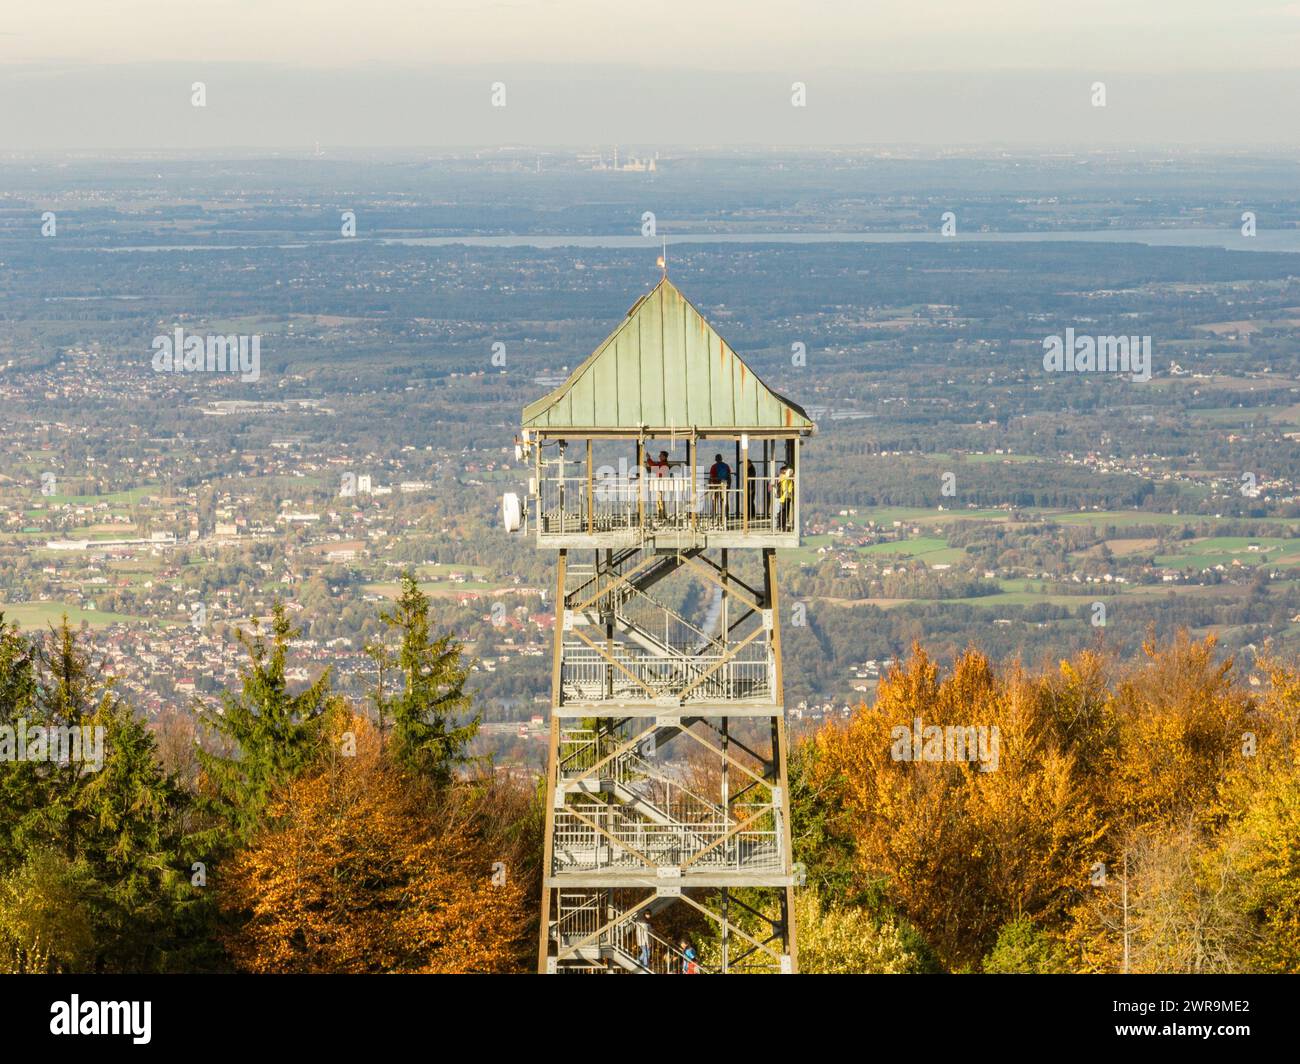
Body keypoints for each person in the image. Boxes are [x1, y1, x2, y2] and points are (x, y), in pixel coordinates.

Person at [645, 449, 672, 521]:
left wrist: (648, 458)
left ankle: (661, 515)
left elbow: (654, 467)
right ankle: (662, 514)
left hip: (661, 485)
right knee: (660, 500)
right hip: (661, 484)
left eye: (660, 455)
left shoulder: (663, 464)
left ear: (664, 457)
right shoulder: (664, 464)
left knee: (660, 500)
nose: (659, 456)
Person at [707, 453, 731, 521]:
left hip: (715, 486)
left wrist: (710, 487)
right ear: (721, 459)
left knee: (714, 501)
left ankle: (714, 516)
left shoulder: (713, 467)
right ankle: (726, 515)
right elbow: (729, 477)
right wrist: (729, 486)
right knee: (724, 501)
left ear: (716, 459)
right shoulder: (726, 466)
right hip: (724, 485)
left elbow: (711, 477)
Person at [775, 464, 794, 531]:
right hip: (784, 497)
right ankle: (782, 526)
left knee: (784, 512)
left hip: (786, 496)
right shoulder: (783, 476)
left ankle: (781, 526)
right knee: (783, 512)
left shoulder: (783, 477)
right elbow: (790, 472)